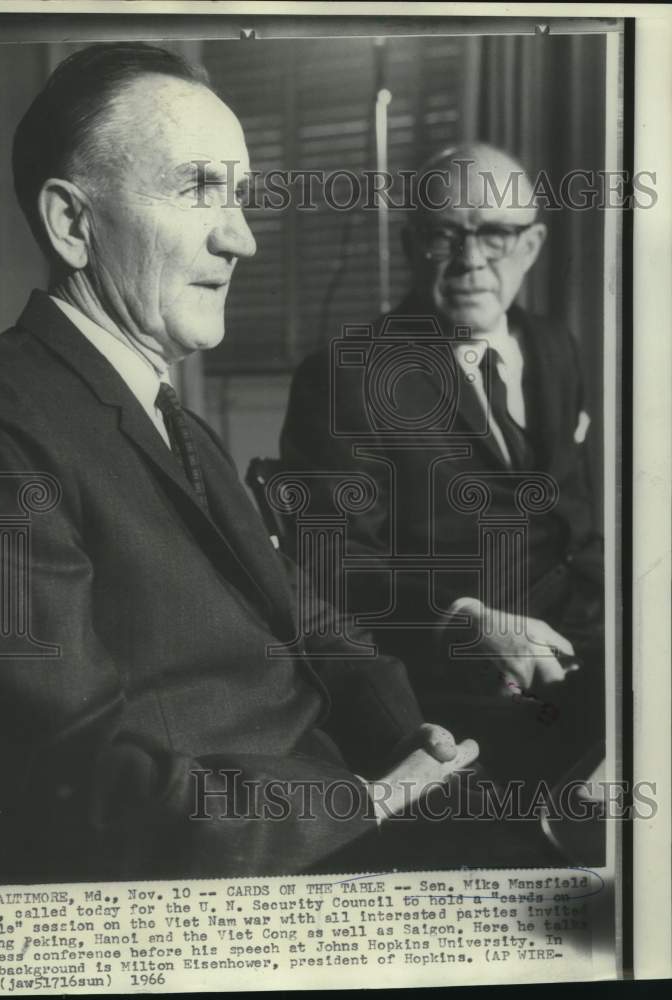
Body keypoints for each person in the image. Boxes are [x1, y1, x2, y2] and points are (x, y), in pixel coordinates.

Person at [0, 48, 556, 887]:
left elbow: (299, 608)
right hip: (243, 869)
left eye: (240, 197)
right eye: (197, 191)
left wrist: (405, 739)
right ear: (72, 225)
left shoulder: (162, 410)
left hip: (345, 801)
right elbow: (71, 780)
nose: (243, 238)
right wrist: (361, 806)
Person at [280, 144, 604, 788]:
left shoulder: (553, 346)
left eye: (497, 235)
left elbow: (574, 520)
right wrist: (467, 619)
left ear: (533, 245)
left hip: (589, 643)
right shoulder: (347, 376)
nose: (471, 261)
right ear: (410, 245)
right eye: (444, 236)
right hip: (466, 683)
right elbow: (331, 566)